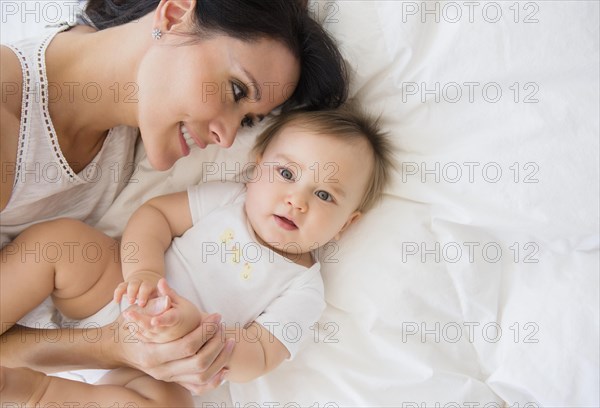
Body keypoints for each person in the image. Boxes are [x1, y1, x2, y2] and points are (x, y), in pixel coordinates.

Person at [0, 0, 347, 393]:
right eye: (236, 90)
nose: (228, 137)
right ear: (175, 14)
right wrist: (112, 345)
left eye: (249, 121)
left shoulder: (134, 124)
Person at [0, 105, 394, 406]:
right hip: (117, 291)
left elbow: (260, 354)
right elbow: (154, 216)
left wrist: (200, 335)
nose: (297, 200)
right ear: (256, 169)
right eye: (287, 174)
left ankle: (37, 393)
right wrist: (143, 272)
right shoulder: (227, 202)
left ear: (345, 224)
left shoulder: (304, 289)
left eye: (324, 195)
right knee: (62, 242)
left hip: (165, 366)